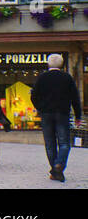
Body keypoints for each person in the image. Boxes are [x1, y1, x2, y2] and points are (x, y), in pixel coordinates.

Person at [31, 53, 83, 182]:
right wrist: (78, 115)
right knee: (64, 143)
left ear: (48, 64)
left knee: (50, 144)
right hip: (62, 113)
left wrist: (40, 108)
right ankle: (59, 165)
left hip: (46, 113)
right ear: (62, 64)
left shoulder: (42, 77)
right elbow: (75, 98)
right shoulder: (67, 78)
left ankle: (55, 170)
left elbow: (34, 96)